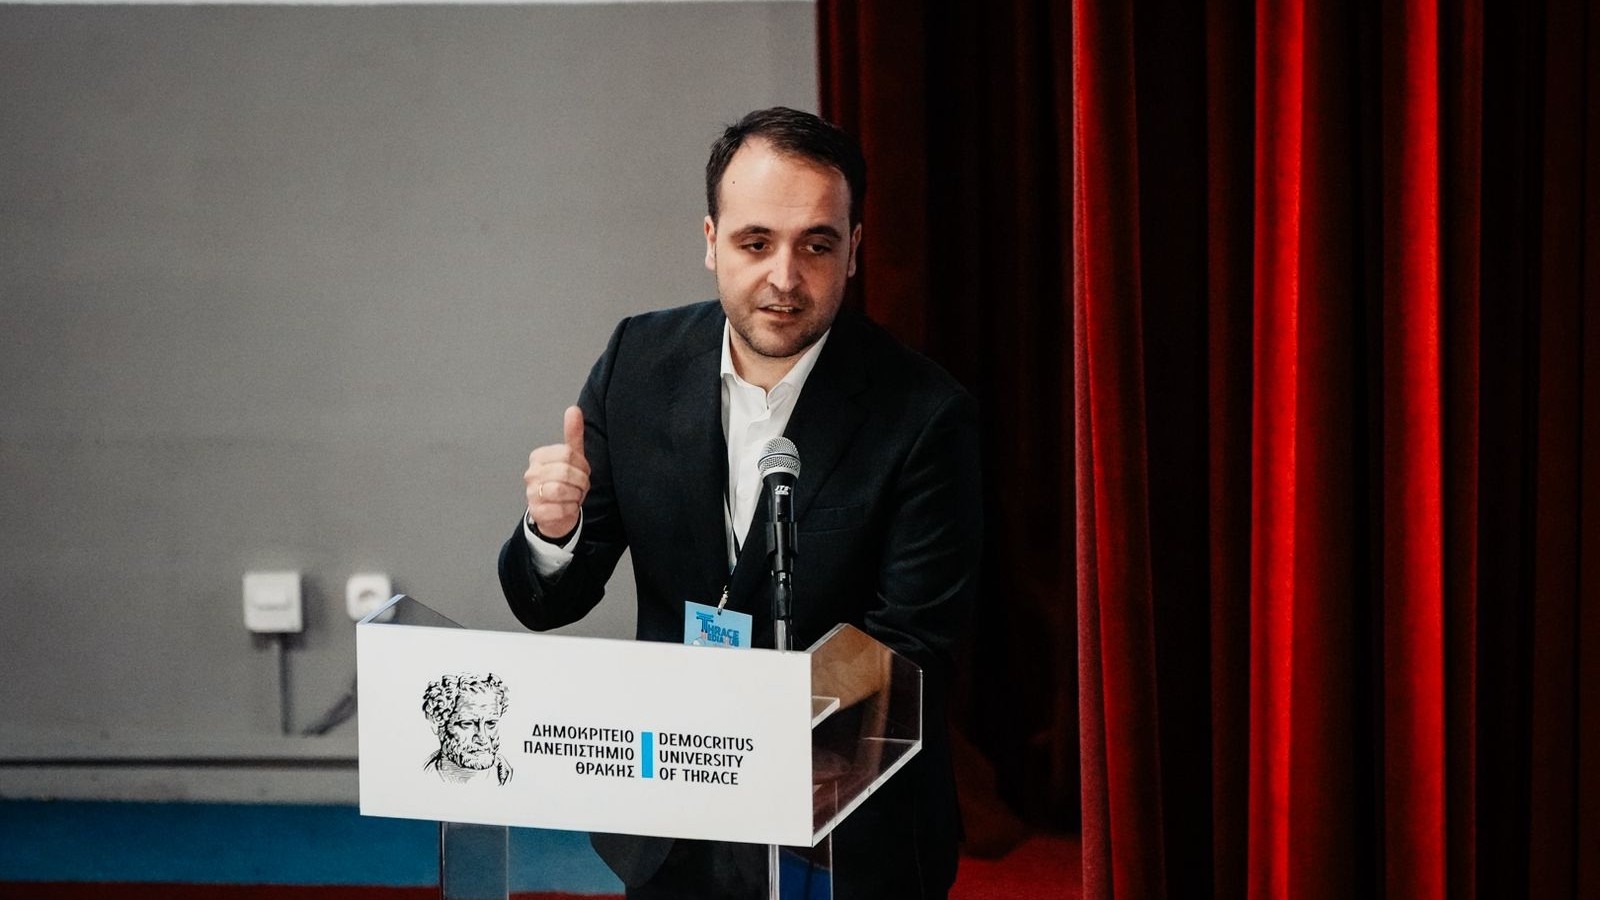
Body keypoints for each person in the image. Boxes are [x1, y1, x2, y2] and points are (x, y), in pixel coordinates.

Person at [498, 107, 981, 900]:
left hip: (848, 837)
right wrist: (554, 534)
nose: (785, 278)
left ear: (854, 249)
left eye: (816, 245)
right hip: (671, 824)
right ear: (711, 240)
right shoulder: (636, 363)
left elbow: (911, 643)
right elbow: (551, 600)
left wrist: (749, 760)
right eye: (756, 243)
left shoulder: (925, 415)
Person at [421, 673, 514, 786]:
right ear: (436, 723)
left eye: (491, 723)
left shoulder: (507, 777)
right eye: (467, 724)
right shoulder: (420, 775)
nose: (482, 738)